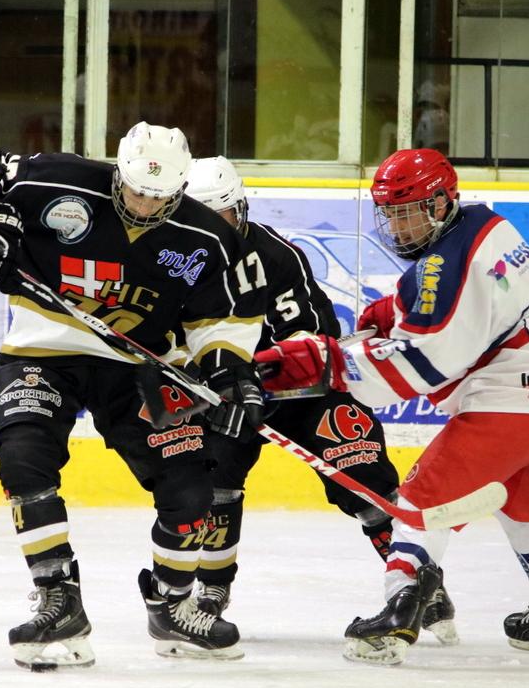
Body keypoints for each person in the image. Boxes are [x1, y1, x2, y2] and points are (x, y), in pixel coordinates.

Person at [256, 148, 529, 665]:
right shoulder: (488, 227)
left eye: (413, 212)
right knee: (523, 498)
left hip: (525, 398)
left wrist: (324, 362)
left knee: (421, 500)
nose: (401, 228)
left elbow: (422, 364)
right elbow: (480, 304)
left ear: (445, 202)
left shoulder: (443, 265)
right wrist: (399, 308)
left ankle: (399, 613)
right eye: (393, 214)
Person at [0, 122, 267, 670]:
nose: (146, 205)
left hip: (138, 365)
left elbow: (223, 318)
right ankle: (58, 599)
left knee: (192, 488)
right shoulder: (58, 180)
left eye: (162, 196)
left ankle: (170, 604)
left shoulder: (206, 236)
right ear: (120, 171)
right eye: (138, 190)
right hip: (43, 349)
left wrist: (227, 370)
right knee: (24, 458)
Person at [182, 155, 457, 645]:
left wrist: (253, 374)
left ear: (239, 210)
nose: (210, 230)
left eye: (218, 216)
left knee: (363, 476)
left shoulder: (277, 256)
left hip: (301, 391)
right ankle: (211, 590)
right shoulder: (172, 260)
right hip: (224, 396)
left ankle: (414, 584)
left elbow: (311, 340)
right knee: (211, 479)